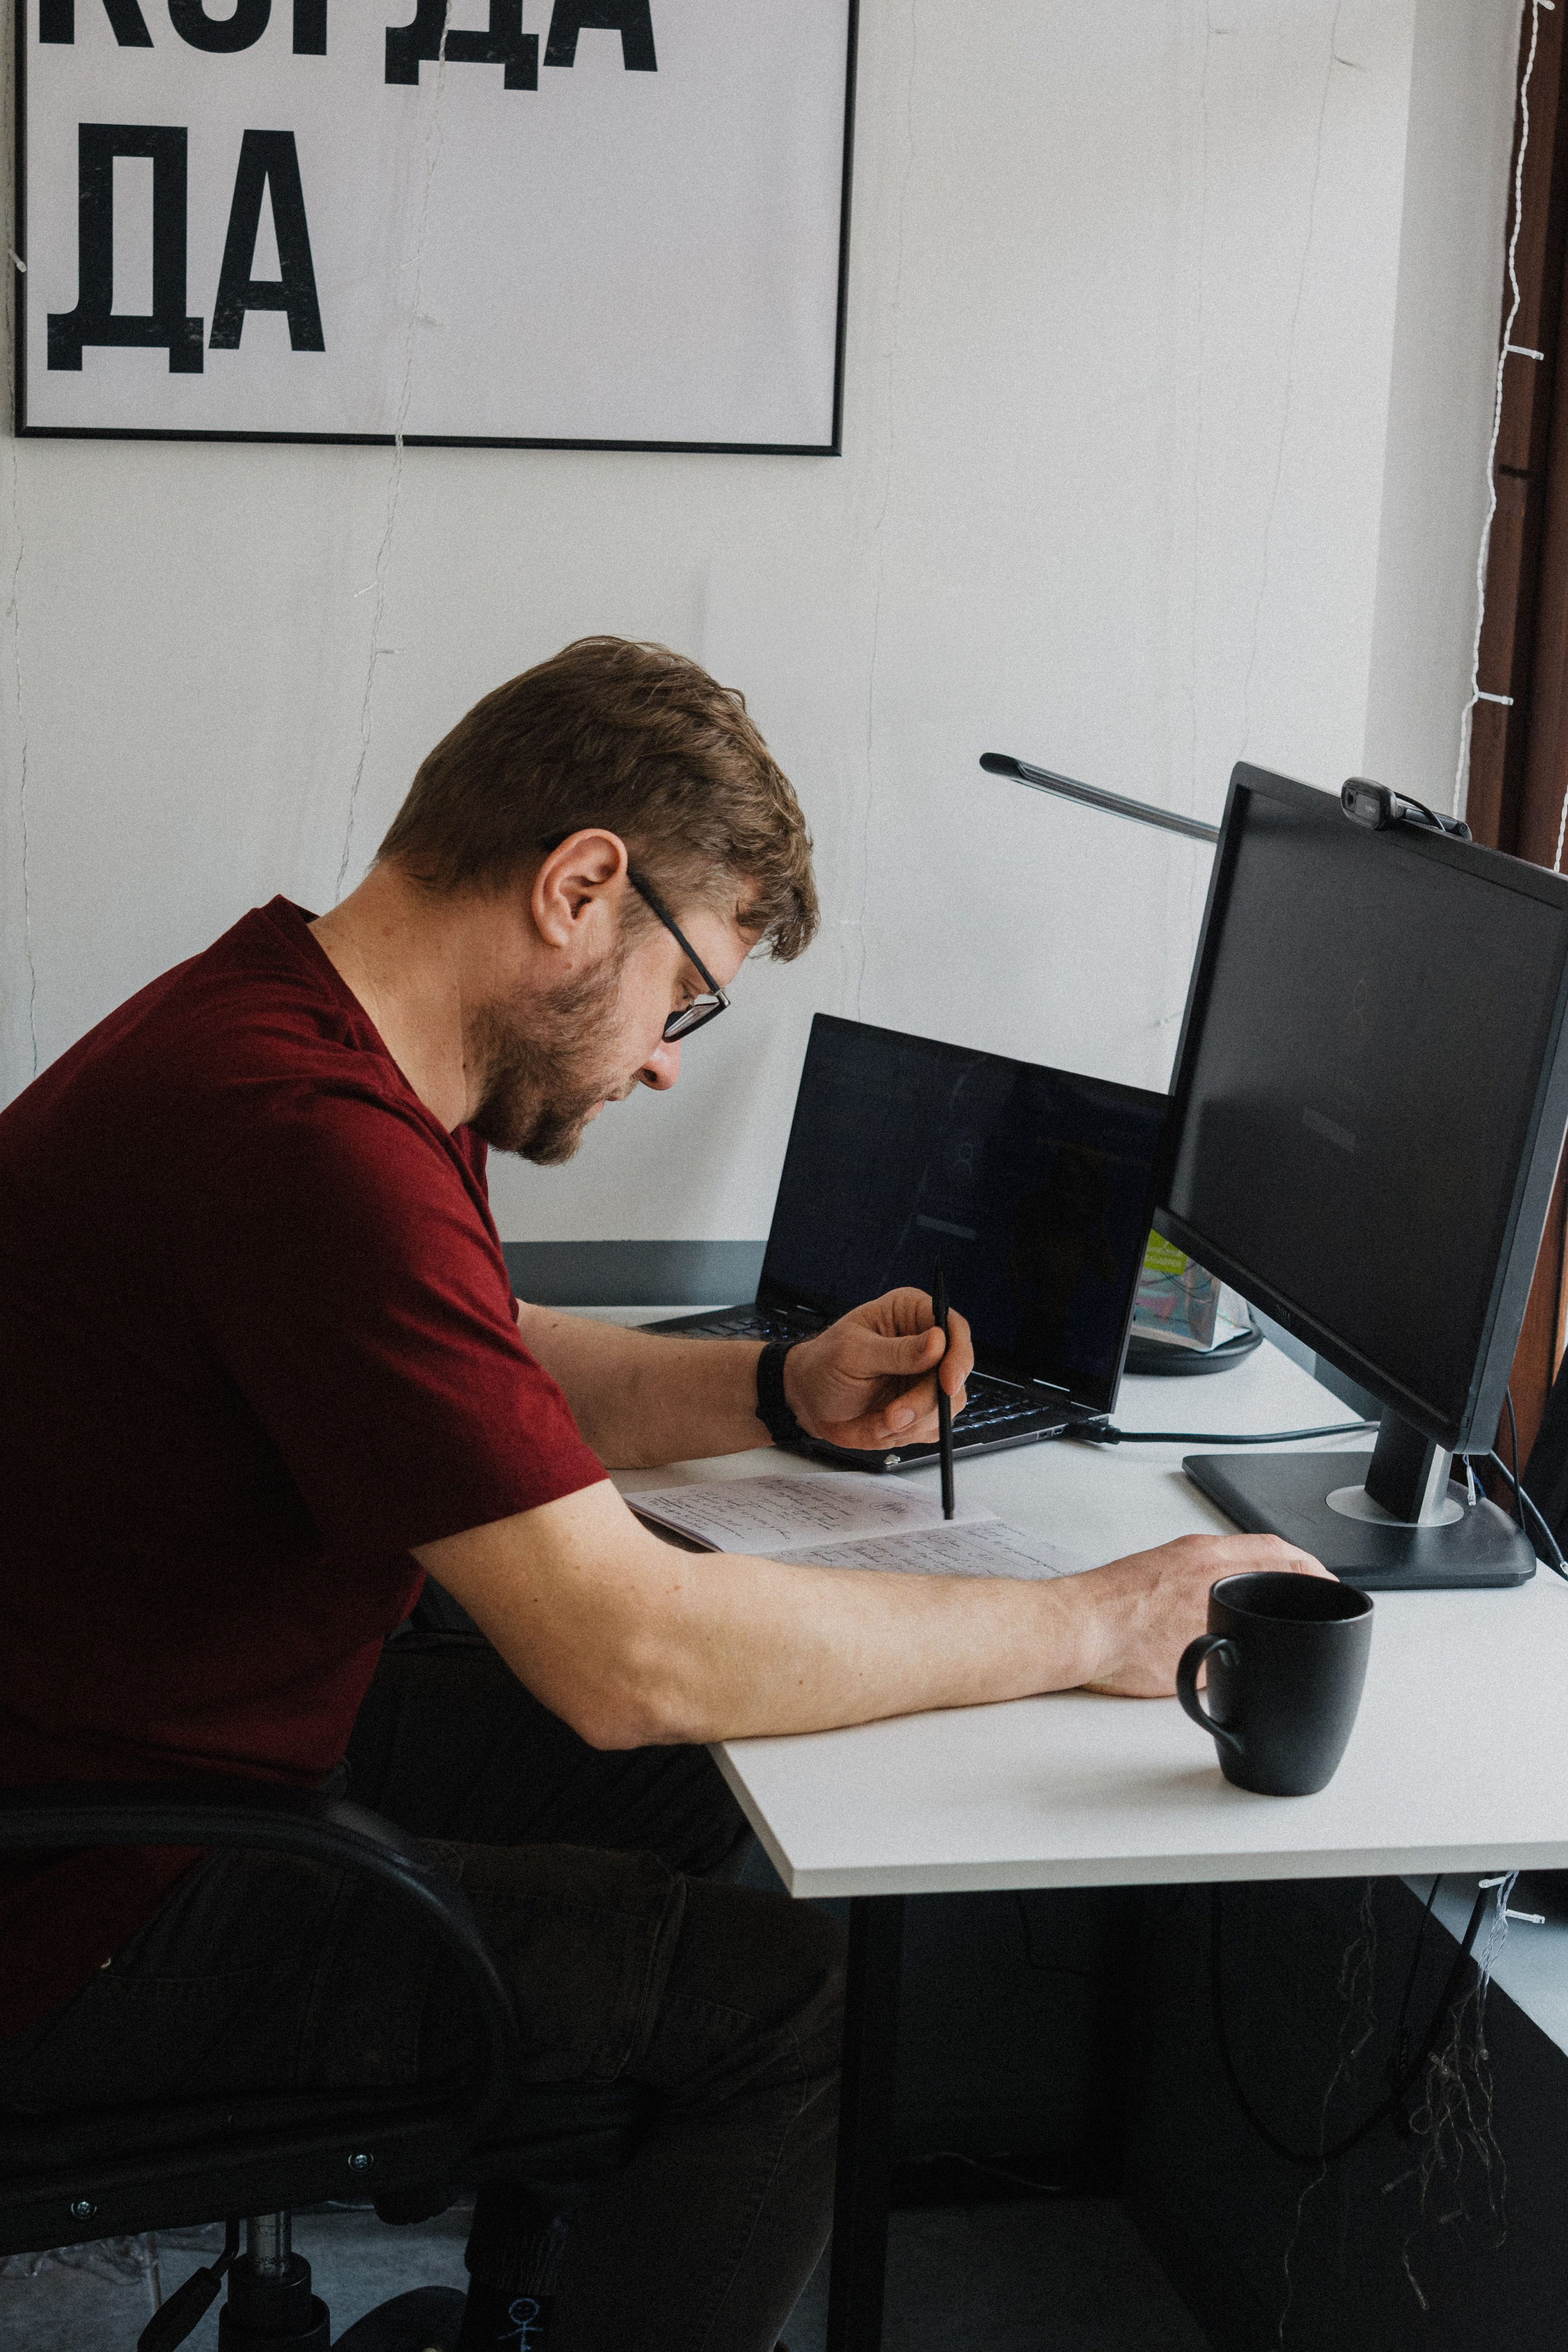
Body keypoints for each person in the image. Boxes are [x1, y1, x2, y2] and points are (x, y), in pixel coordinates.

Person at [0, 636, 1322, 2351]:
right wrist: (1090, 1621)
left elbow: (486, 1348)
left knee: (708, 1796)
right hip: (89, 1910)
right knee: (807, 2013)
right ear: (579, 886)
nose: (666, 1063)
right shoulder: (302, 1141)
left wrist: (777, 1388)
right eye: (686, 996)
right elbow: (629, 1658)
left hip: (156, 1756)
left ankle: (534, 2301)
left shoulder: (303, 1026)